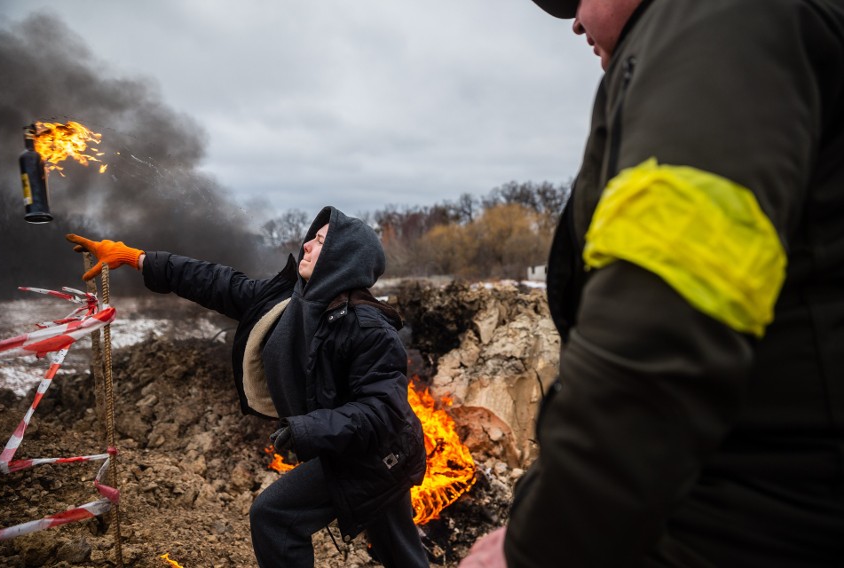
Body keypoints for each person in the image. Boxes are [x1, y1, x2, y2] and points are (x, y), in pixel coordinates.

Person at [462, 0, 844, 566]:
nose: (572, 21)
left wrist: (536, 547)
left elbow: (658, 336)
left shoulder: (721, 22)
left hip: (748, 528)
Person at [67, 206, 430, 568]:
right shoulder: (286, 300)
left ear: (342, 258)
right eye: (312, 238)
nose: (306, 245)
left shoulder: (368, 328)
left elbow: (381, 411)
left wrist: (308, 428)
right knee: (400, 550)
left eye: (320, 242)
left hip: (379, 455)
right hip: (349, 447)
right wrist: (137, 258)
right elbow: (214, 281)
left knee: (275, 516)